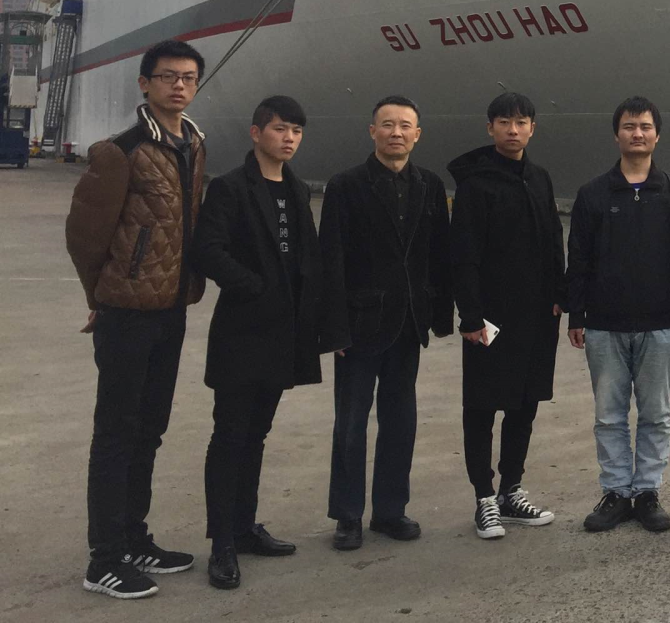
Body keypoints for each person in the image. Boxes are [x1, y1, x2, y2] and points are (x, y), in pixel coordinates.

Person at [66, 39, 209, 600]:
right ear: (145, 84)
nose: (179, 85)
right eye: (168, 76)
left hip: (171, 309)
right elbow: (85, 235)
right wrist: (99, 295)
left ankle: (133, 537)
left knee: (150, 430)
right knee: (116, 434)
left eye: (189, 77)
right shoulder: (118, 151)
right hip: (126, 313)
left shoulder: (194, 143)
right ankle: (103, 558)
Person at [191, 96, 345, 591]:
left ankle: (244, 526)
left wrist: (322, 323)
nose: (289, 138)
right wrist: (253, 287)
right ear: (256, 133)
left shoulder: (297, 189)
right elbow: (207, 249)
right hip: (242, 332)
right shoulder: (231, 188)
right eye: (280, 129)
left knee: (257, 433)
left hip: (284, 334)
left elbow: (309, 258)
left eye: (296, 130)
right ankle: (221, 543)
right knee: (230, 435)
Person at [319, 95, 454, 551]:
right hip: (359, 325)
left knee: (401, 421)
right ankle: (348, 515)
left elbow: (439, 254)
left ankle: (390, 510)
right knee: (351, 423)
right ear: (372, 131)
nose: (397, 132)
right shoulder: (345, 185)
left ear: (418, 134)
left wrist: (440, 315)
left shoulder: (430, 185)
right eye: (388, 124)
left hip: (409, 321)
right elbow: (331, 259)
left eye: (405, 126)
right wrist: (334, 328)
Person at [568, 96, 670, 534]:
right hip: (604, 324)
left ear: (657, 135)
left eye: (644, 126)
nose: (637, 133)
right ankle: (616, 492)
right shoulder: (593, 194)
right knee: (609, 414)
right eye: (629, 126)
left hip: (659, 324)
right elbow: (578, 257)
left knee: (656, 414)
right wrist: (576, 314)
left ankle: (647, 492)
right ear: (616, 135)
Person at [448, 91, 565, 541]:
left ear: (533, 128)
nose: (512, 130)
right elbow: (464, 255)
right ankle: (484, 497)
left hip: (536, 315)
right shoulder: (475, 184)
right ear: (490, 128)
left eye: (521, 122)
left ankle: (511, 489)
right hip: (490, 319)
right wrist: (470, 315)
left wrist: (559, 295)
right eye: (504, 122)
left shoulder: (539, 178)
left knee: (524, 404)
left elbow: (554, 241)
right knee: (481, 406)